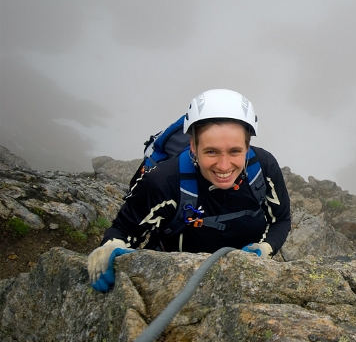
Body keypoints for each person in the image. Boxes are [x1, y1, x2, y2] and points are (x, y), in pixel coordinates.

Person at [87, 89, 291, 292]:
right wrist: (111, 245)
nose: (223, 165)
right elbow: (124, 230)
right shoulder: (164, 182)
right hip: (176, 284)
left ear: (247, 146)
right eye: (211, 151)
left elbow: (281, 219)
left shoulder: (263, 167)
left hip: (246, 279)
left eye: (235, 151)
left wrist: (266, 248)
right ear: (193, 145)